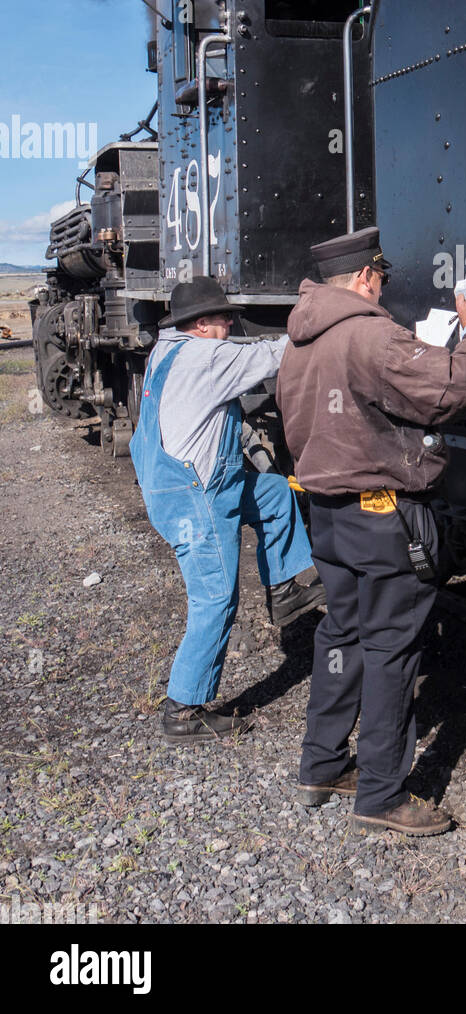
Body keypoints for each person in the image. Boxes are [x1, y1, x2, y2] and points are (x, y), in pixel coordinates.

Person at [276, 227, 466, 836]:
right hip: (381, 514)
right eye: (383, 280)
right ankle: (381, 794)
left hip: (327, 512)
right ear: (367, 277)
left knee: (340, 634)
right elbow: (452, 387)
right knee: (392, 648)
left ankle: (321, 765)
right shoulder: (370, 333)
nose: (383, 290)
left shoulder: (298, 340)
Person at [131, 276, 324, 743]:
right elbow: (273, 355)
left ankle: (282, 589)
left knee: (275, 493)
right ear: (200, 324)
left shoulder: (166, 350)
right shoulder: (205, 356)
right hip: (192, 497)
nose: (230, 325)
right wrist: (321, 323)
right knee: (215, 598)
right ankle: (183, 710)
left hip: (186, 484)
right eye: (223, 319)